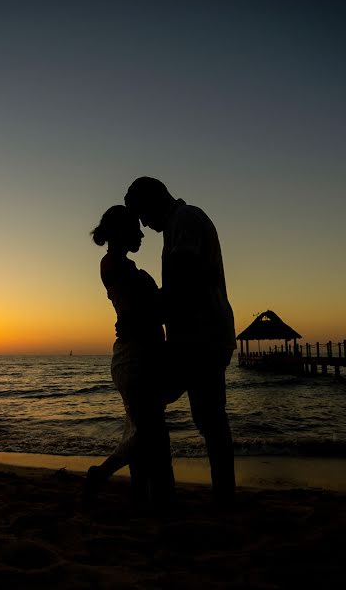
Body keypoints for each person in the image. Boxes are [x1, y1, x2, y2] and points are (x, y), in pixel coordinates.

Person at [124, 176, 237, 504]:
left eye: (142, 215)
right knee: (209, 418)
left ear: (153, 202)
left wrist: (148, 313)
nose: (144, 224)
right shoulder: (181, 222)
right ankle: (220, 495)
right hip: (202, 335)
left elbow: (183, 279)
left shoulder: (184, 221)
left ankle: (160, 490)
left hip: (201, 337)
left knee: (158, 404)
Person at [87, 205, 175, 510]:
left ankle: (143, 497)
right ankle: (104, 474)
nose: (140, 233)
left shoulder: (117, 265)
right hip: (137, 355)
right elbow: (148, 311)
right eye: (135, 228)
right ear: (122, 232)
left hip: (135, 354)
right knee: (151, 432)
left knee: (142, 429)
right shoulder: (117, 267)